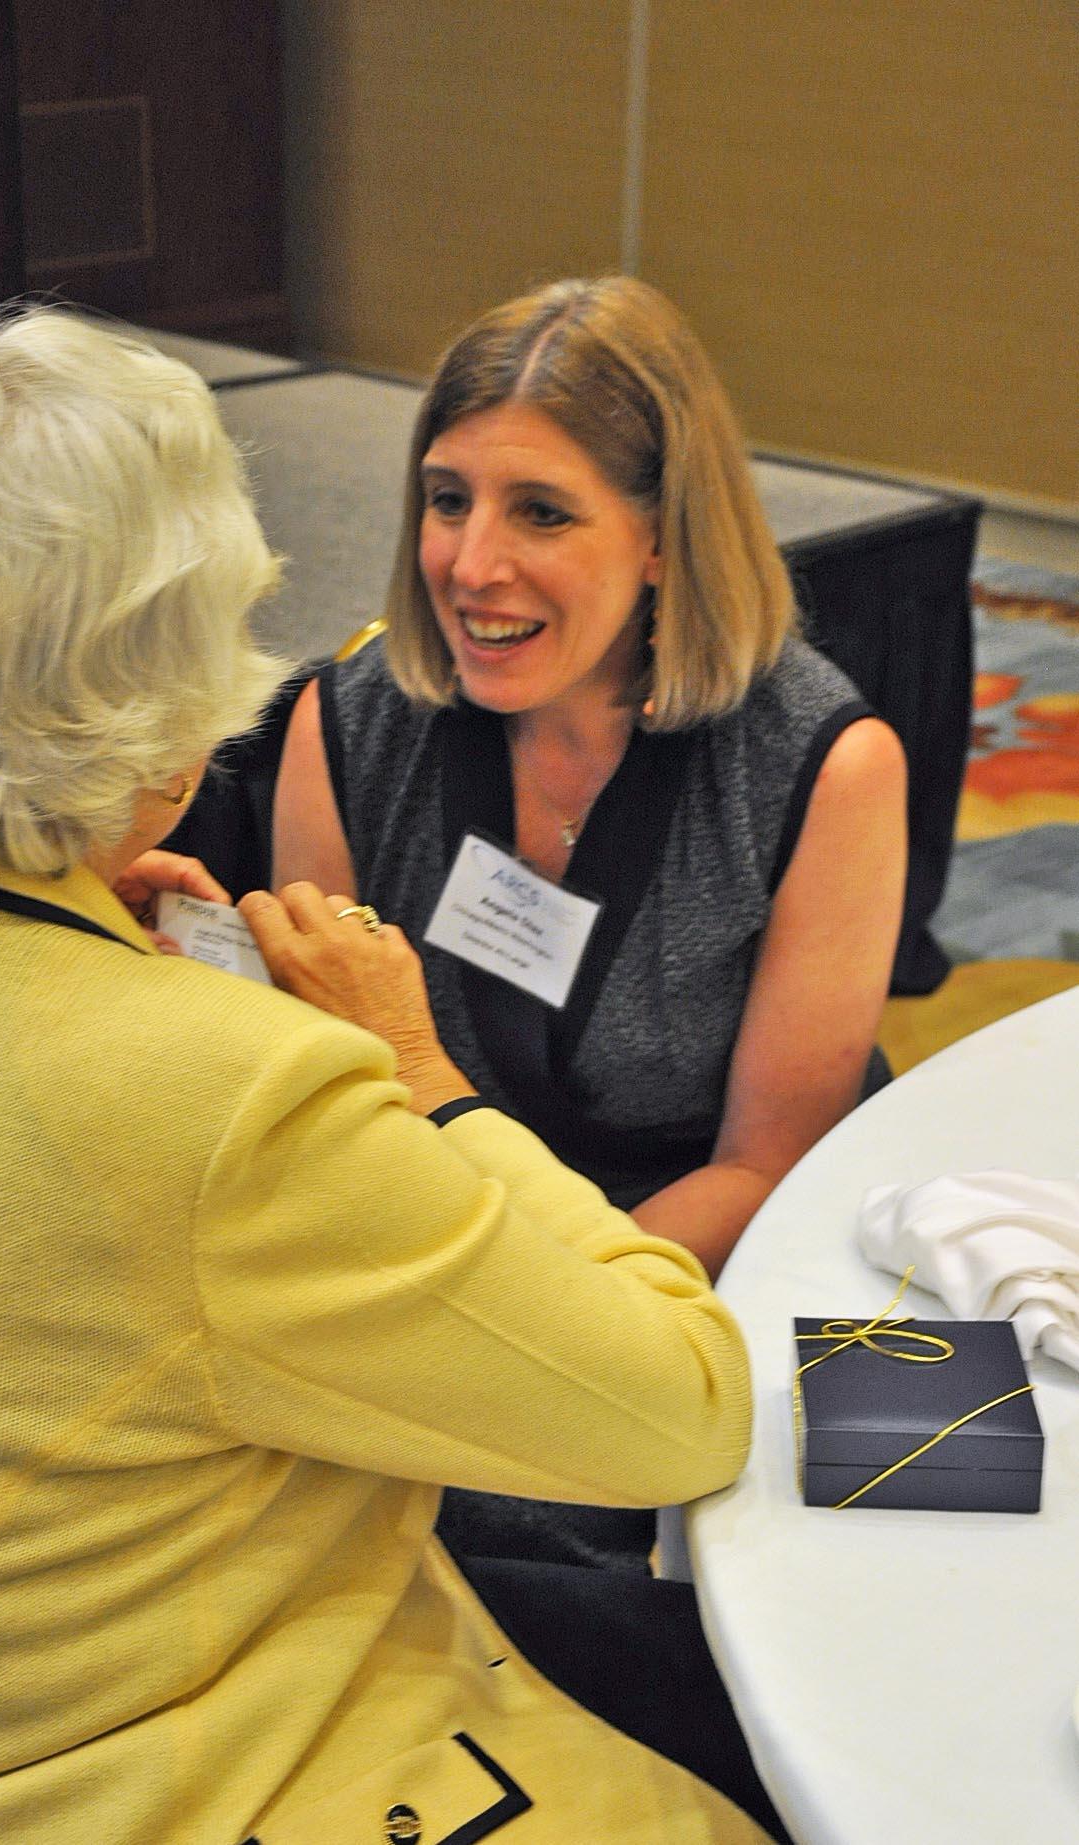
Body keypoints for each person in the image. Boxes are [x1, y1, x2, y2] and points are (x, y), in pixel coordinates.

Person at [0, 307, 782, 1842]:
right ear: (173, 682)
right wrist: (424, 1077)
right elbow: (687, 1405)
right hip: (232, 1777)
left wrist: (59, 888)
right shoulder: (234, 1094)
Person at [269, 274, 906, 1573]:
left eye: (542, 512)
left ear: (664, 536)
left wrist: (537, 1306)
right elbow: (320, 1093)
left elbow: (765, 1163)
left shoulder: (819, 767)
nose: (470, 565)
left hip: (682, 1257)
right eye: (448, 499)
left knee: (540, 1563)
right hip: (423, 1246)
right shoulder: (348, 722)